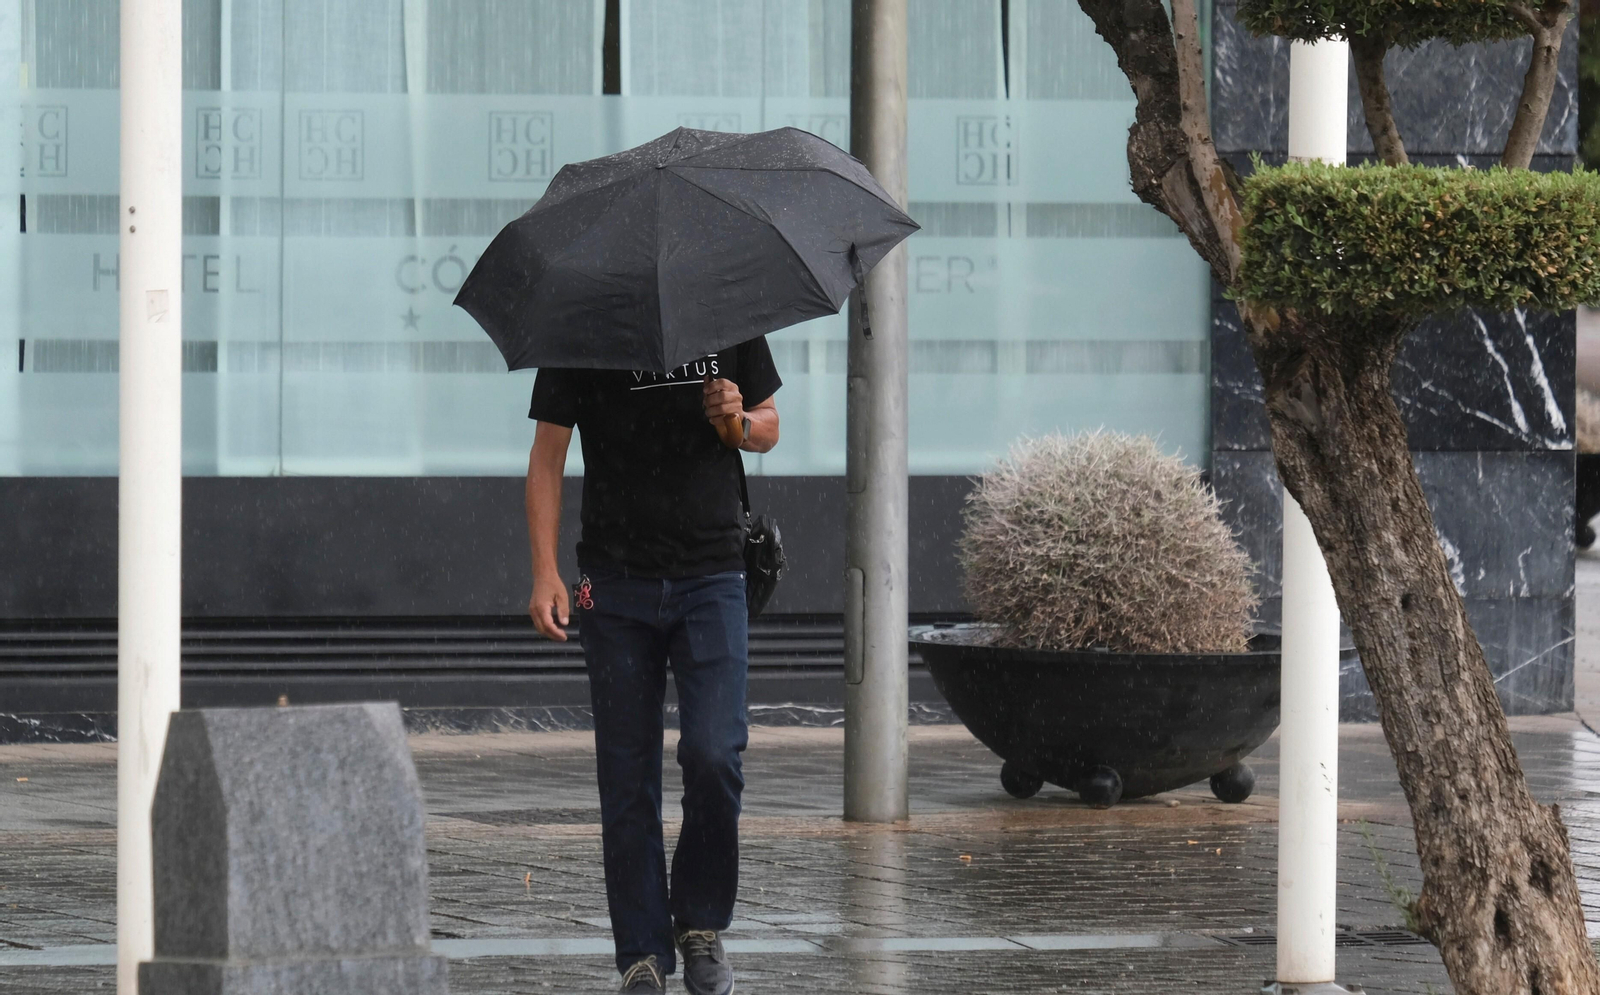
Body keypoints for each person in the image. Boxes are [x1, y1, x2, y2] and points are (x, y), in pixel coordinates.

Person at [523, 339, 781, 995]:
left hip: (713, 574)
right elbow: (548, 455)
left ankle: (699, 923)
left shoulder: (725, 312)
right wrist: (545, 570)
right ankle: (642, 952)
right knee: (627, 773)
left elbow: (769, 425)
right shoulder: (583, 326)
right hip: (615, 584)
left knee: (715, 751)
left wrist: (736, 422)